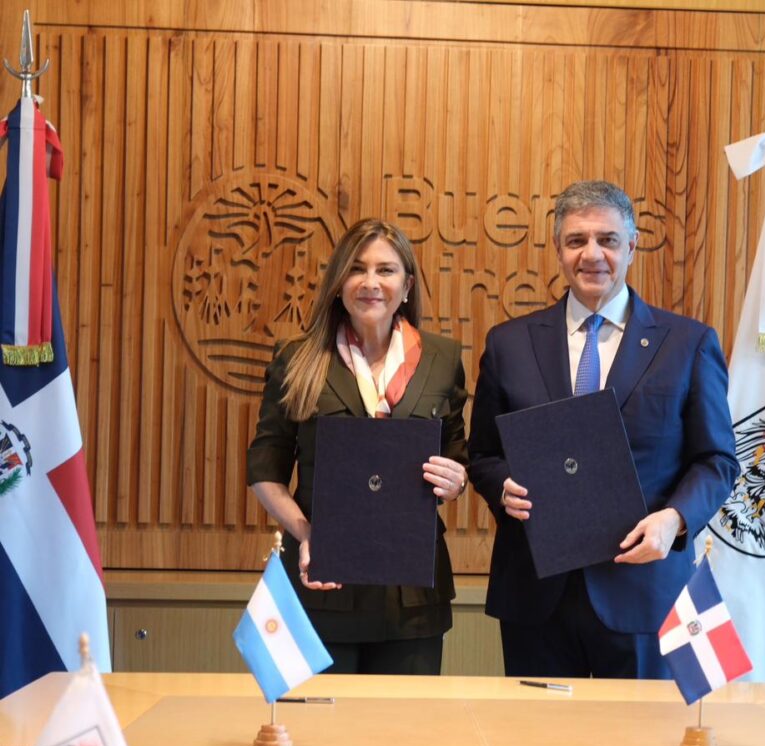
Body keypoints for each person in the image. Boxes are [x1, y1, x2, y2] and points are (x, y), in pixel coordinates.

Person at [468, 180, 740, 679]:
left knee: (639, 732)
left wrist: (675, 520)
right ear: (558, 249)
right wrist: (501, 487)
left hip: (645, 592)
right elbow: (483, 454)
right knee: (539, 729)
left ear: (632, 246)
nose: (592, 254)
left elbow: (717, 460)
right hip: (536, 594)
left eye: (607, 240)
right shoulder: (509, 343)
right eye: (576, 240)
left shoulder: (688, 343)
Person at [247, 218, 468, 675]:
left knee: (404, 721)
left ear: (406, 286)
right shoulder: (297, 358)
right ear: (337, 283)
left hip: (413, 596)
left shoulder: (443, 359)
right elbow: (265, 471)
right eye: (356, 269)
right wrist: (309, 535)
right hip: (323, 581)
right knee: (321, 720)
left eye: (385, 270)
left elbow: (456, 456)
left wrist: (456, 480)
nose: (370, 282)